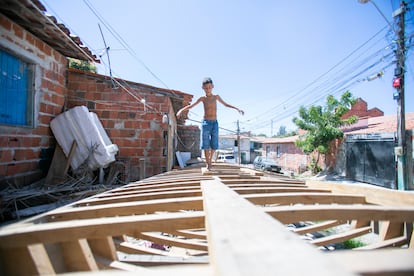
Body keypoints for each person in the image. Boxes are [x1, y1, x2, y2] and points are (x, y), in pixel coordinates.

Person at [176, 77, 244, 170]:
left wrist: (237, 108)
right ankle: (208, 163)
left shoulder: (216, 97)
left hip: (214, 123)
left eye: (209, 87)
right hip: (206, 123)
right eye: (206, 88)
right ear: (202, 88)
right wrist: (180, 110)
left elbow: (226, 104)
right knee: (205, 143)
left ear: (212, 86)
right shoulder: (202, 98)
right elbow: (191, 106)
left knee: (214, 144)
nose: (207, 90)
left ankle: (210, 160)